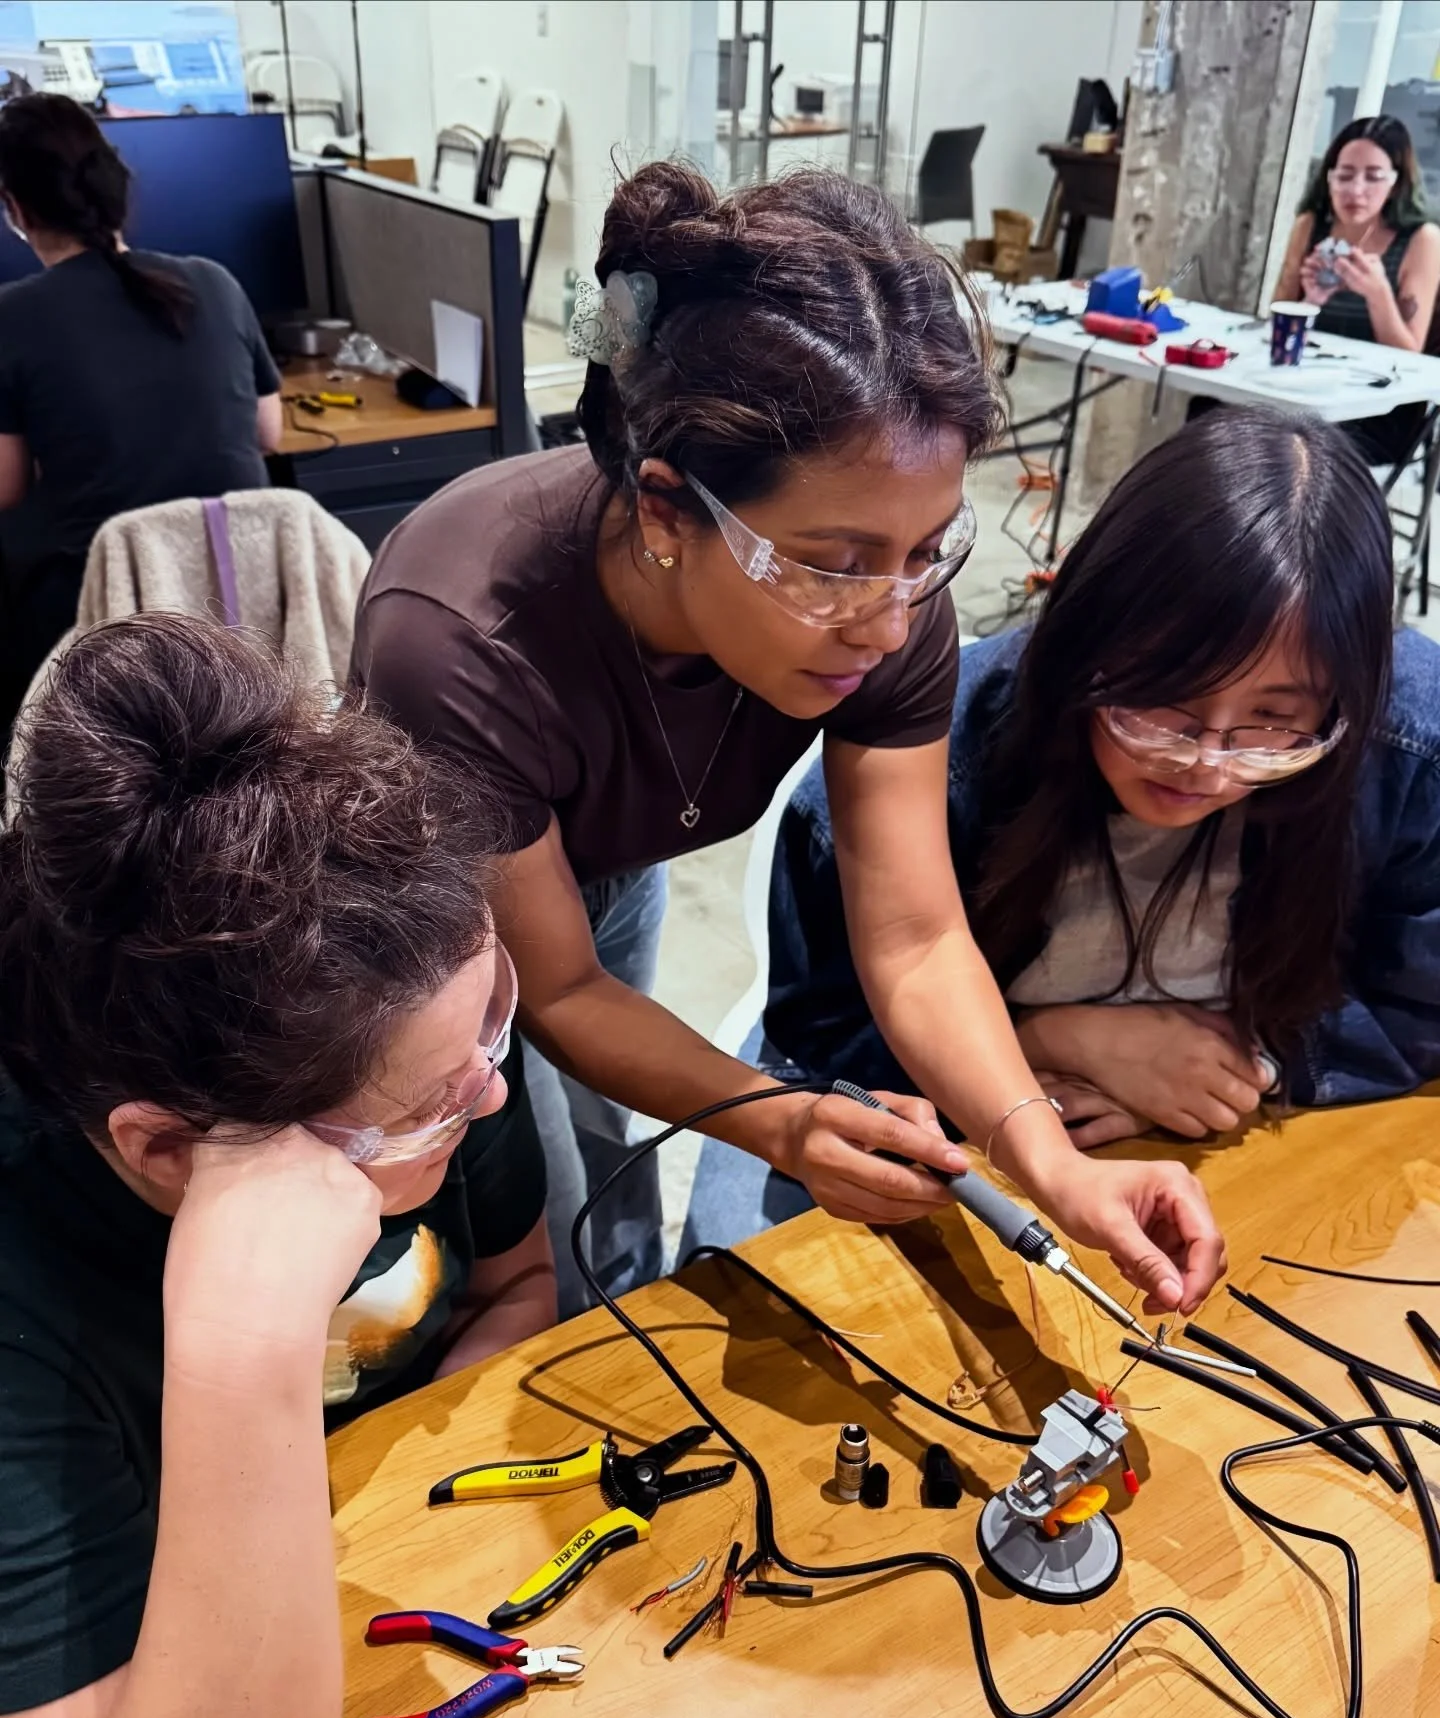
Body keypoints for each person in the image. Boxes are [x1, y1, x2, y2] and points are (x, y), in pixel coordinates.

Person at [352, 159, 1223, 1324]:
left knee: (615, 1139)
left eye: (928, 551)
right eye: (833, 565)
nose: (891, 621)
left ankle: (626, 1297)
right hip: (451, 897)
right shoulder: (458, 640)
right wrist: (782, 1120)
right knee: (529, 1199)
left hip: (611, 849)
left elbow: (915, 936)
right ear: (667, 509)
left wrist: (1051, 1165)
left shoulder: (885, 595)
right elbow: (558, 987)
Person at [0, 614, 554, 1718]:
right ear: (168, 1150)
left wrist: (371, 1519)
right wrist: (241, 1357)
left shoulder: (416, 1031)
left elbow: (520, 1288)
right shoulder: (24, 1293)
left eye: (493, 1023)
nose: (485, 1096)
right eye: (429, 1108)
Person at [756, 408, 1438, 1226]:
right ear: (1090, 631)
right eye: (1167, 702)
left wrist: (1235, 1067)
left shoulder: (1408, 752)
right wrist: (1046, 1042)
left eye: (1272, 722)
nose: (1205, 764)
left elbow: (1416, 1008)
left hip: (1254, 1169)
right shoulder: (931, 765)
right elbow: (827, 1043)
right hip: (962, 1182)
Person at [0, 94, 283, 745]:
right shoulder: (214, 280)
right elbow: (268, 433)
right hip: (236, 609)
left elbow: (7, 486)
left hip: (103, 625)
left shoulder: (12, 315)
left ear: (16, 209)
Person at [1272, 113, 1440, 464]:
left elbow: (1410, 355)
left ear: (1396, 183)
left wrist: (1378, 294)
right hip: (1308, 388)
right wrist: (1311, 302)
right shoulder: (1311, 226)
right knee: (1210, 411)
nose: (1355, 190)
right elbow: (1275, 332)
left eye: (1373, 177)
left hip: (1380, 408)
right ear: (1329, 178)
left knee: (1287, 447)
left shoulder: (1422, 240)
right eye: (1344, 176)